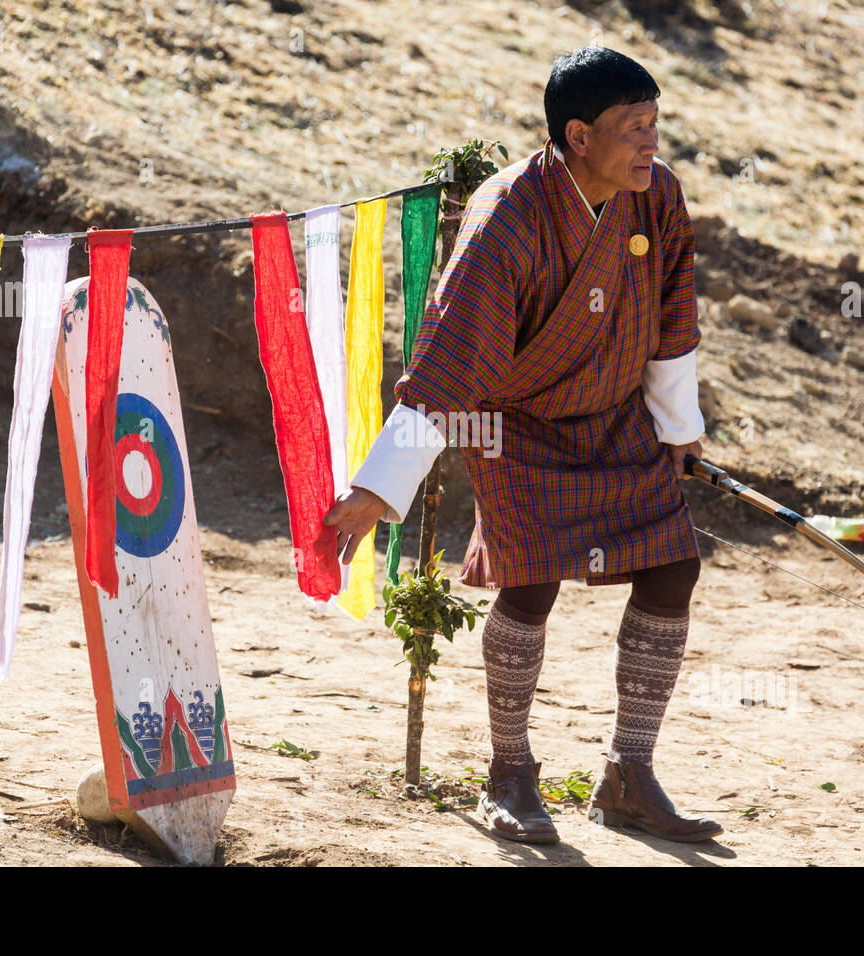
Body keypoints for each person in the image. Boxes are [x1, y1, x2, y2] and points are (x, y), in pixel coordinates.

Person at [321, 46, 722, 845]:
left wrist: (678, 427)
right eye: (632, 128)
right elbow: (450, 358)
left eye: (655, 125)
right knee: (531, 586)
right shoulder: (508, 216)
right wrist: (380, 487)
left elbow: (674, 313)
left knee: (674, 566)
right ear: (578, 135)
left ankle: (628, 775)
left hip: (615, 418)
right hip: (519, 426)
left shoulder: (657, 196)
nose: (651, 144)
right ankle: (509, 774)